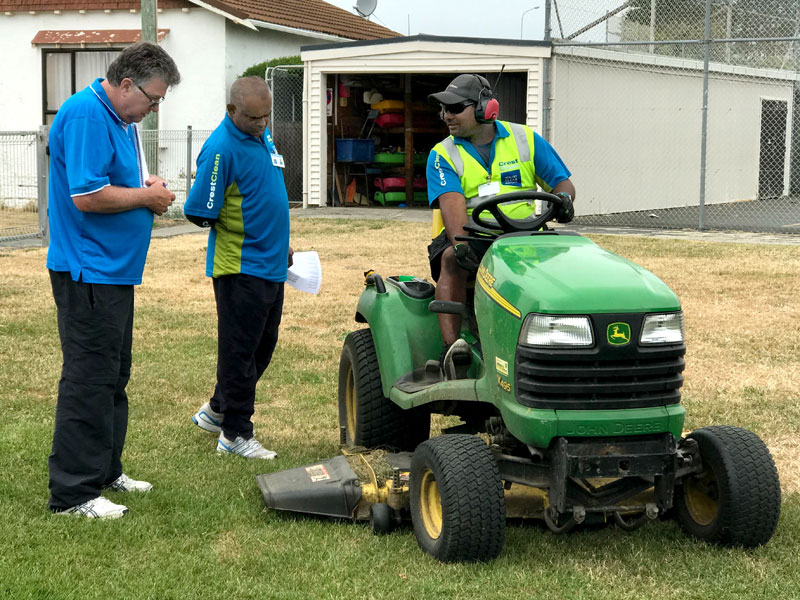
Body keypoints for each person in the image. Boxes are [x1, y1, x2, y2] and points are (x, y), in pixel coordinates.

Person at [46, 42, 181, 519]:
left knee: (113, 376)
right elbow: (87, 195)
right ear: (126, 84)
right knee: (88, 379)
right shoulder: (87, 114)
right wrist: (145, 200)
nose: (154, 107)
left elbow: (115, 180)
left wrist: (146, 187)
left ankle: (105, 471)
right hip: (89, 271)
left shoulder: (121, 120)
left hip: (113, 272)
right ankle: (72, 494)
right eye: (153, 98)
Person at [426, 74, 576, 378]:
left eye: (454, 108)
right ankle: (452, 350)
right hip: (473, 236)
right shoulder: (442, 154)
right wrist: (461, 244)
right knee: (451, 259)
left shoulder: (526, 139)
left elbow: (563, 184)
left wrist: (563, 199)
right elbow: (454, 214)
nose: (446, 116)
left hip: (526, 234)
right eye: (443, 109)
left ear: (485, 108)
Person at [184, 76, 293, 460]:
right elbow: (199, 210)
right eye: (253, 117)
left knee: (263, 345)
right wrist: (251, 235)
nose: (262, 124)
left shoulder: (259, 135)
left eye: (266, 117)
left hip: (271, 262)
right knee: (240, 352)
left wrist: (281, 243)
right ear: (231, 111)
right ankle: (235, 433)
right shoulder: (220, 149)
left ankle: (217, 410)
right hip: (241, 267)